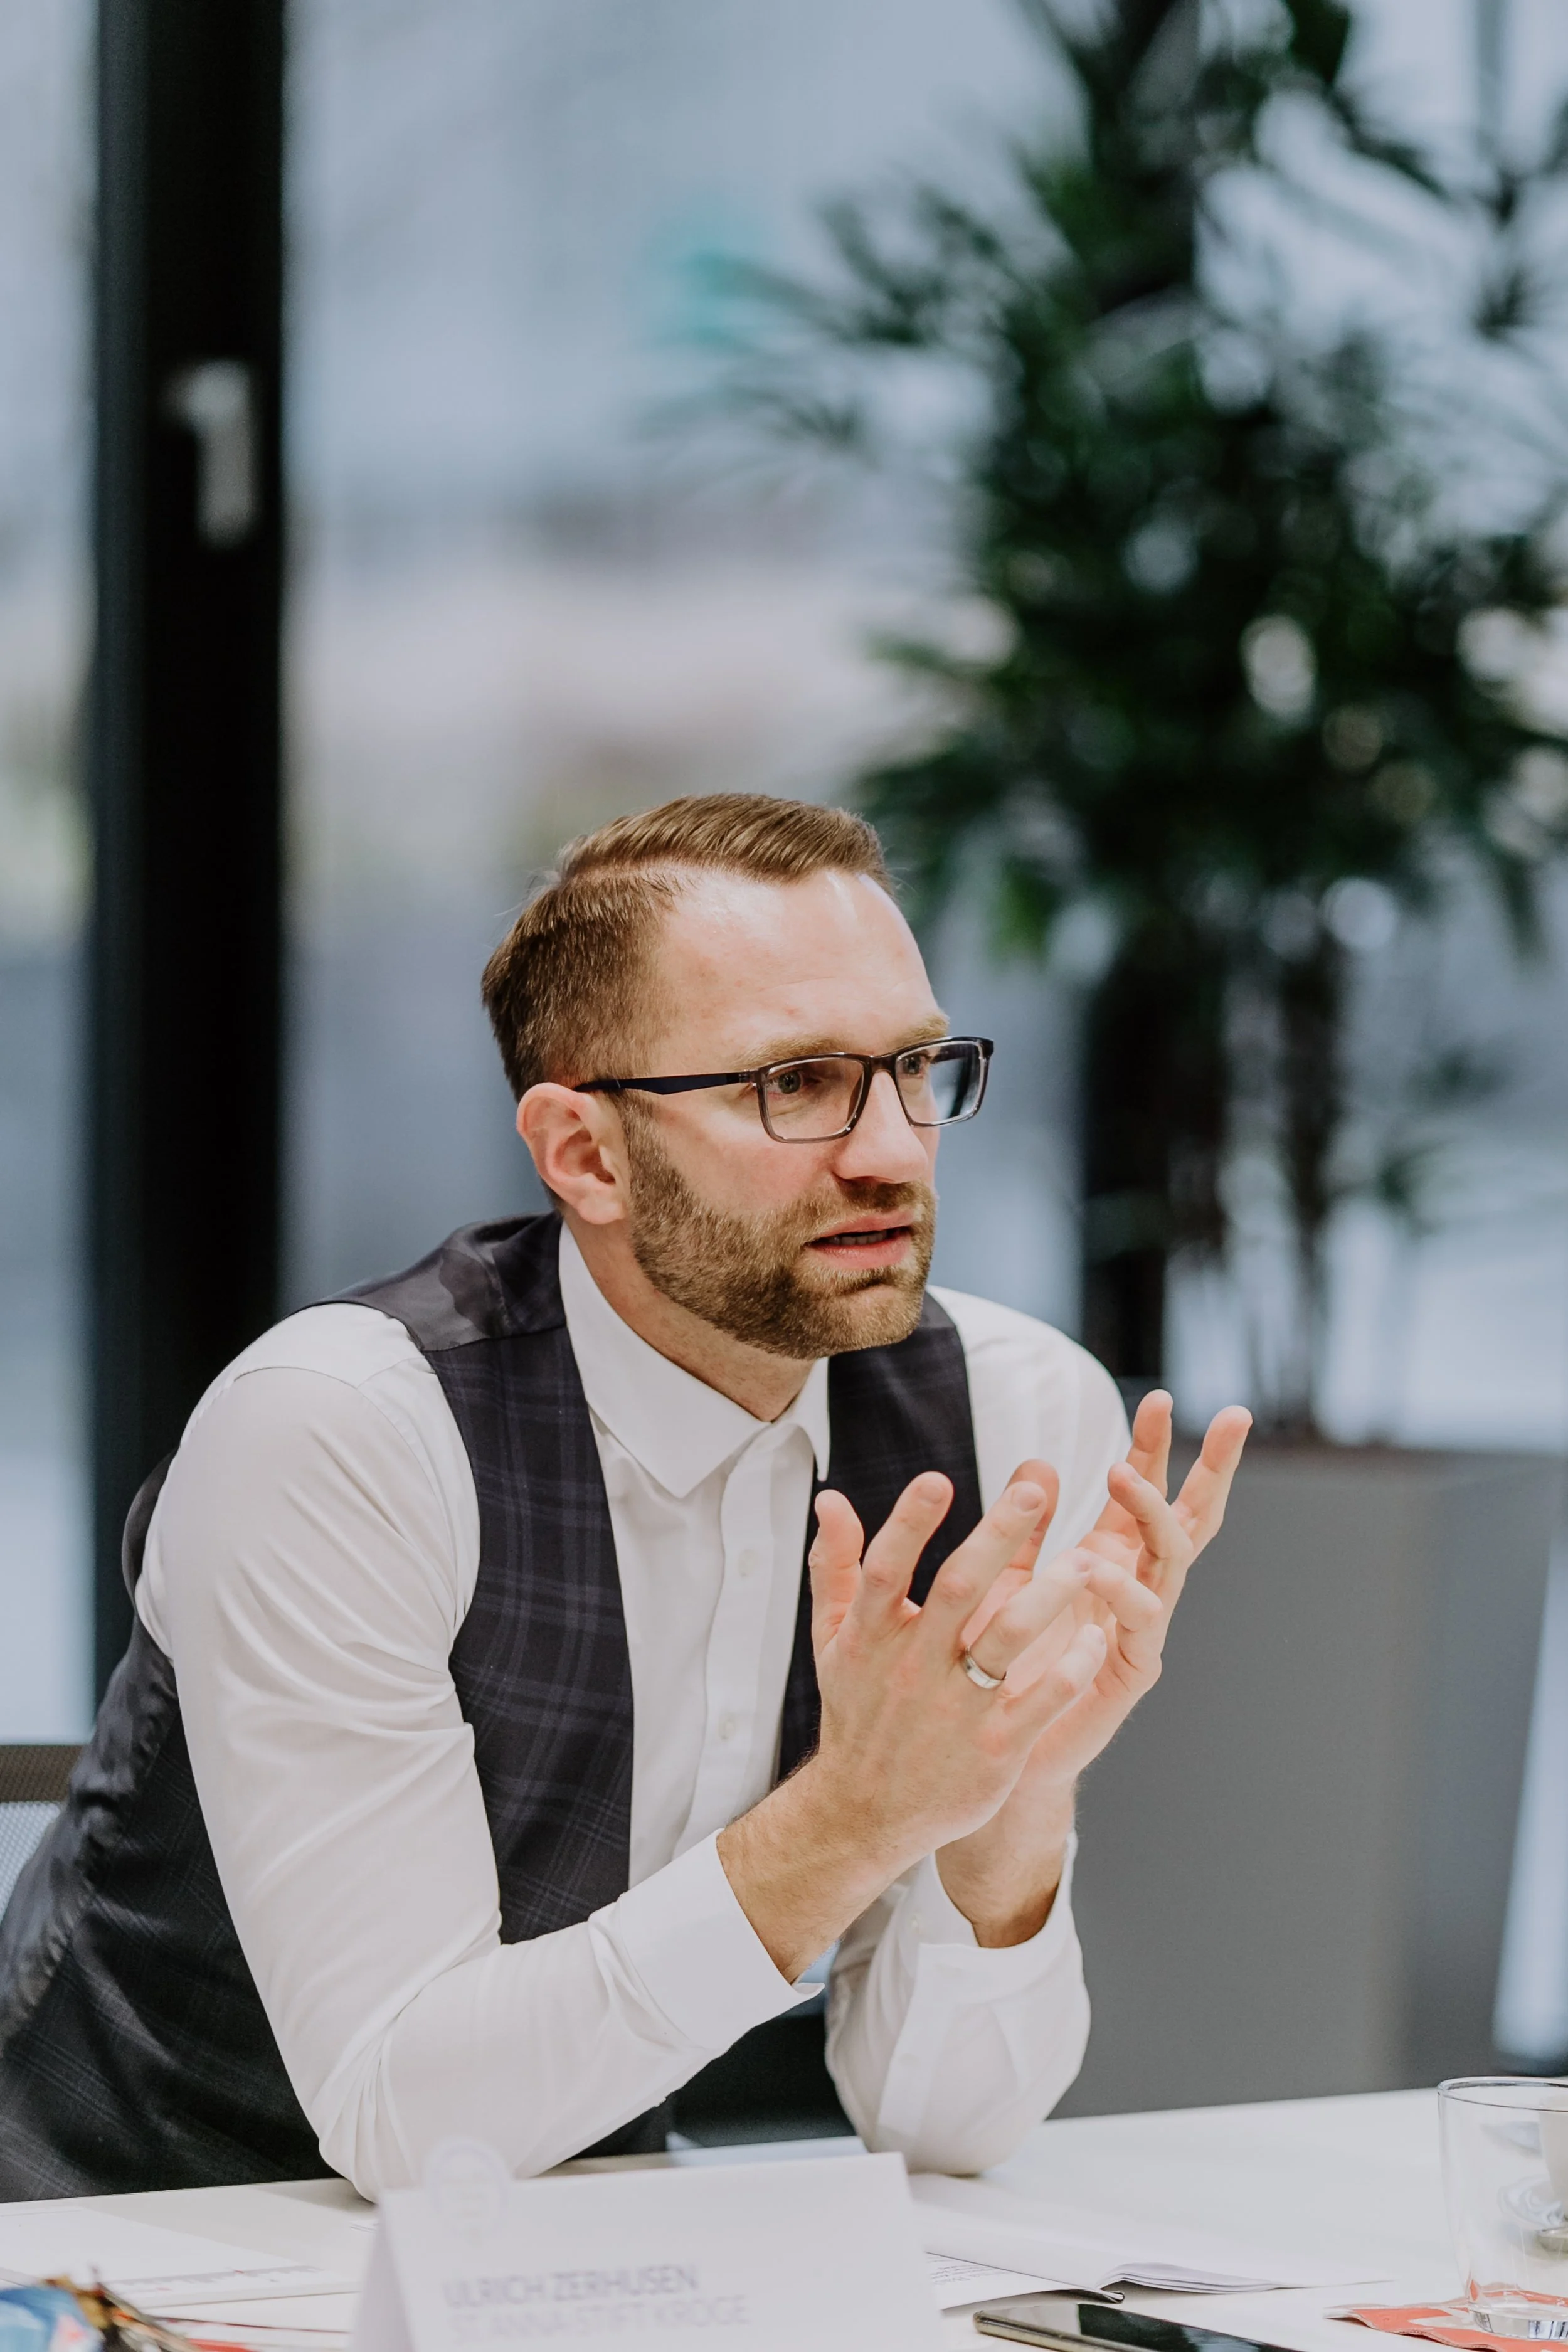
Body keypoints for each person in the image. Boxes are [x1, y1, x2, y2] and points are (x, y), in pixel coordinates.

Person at [0, 794, 1249, 2201]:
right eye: (797, 1085)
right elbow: (408, 2127)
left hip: (583, 2252)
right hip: (119, 2232)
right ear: (584, 1153)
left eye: (915, 1068)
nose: (893, 1151)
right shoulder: (343, 1432)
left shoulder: (1017, 1420)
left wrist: (1017, 1794)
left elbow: (948, 2130)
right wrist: (850, 1820)